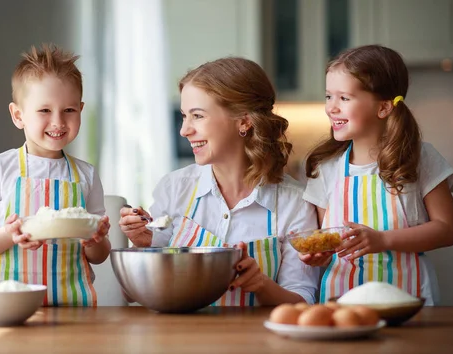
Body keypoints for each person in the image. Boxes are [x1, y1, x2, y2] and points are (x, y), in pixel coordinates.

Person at [119, 57, 319, 306]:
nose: (184, 130)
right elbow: (137, 293)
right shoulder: (174, 189)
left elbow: (303, 301)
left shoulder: (295, 203)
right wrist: (143, 244)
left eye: (198, 116)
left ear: (244, 121)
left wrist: (261, 284)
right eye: (184, 116)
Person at [299, 45, 453, 305]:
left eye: (344, 98)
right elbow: (326, 239)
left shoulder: (420, 158)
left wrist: (383, 239)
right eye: (329, 96)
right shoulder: (325, 168)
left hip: (409, 299)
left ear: (383, 108)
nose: (331, 107)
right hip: (341, 302)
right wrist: (320, 254)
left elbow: (448, 230)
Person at [0, 44, 111, 307]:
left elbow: (99, 256)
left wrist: (96, 240)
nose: (58, 122)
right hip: (9, 309)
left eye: (69, 110)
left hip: (75, 309)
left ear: (80, 110)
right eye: (44, 110)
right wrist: (9, 235)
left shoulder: (86, 174)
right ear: (18, 115)